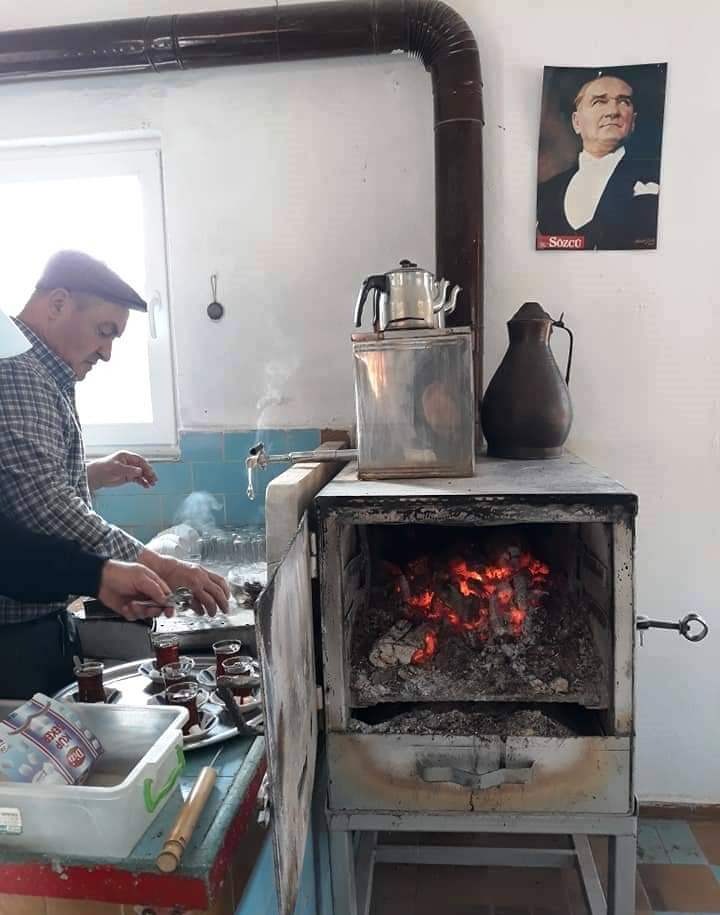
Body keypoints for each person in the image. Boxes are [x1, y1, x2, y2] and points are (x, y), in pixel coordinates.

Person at [0, 251, 229, 696]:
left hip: (34, 627)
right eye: (104, 332)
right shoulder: (19, 373)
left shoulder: (42, 374)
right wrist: (157, 564)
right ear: (58, 303)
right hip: (14, 641)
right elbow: (44, 509)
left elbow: (18, 487)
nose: (106, 352)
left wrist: (93, 475)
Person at [537, 73, 660, 250]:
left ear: (632, 122)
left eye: (624, 101)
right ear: (577, 122)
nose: (613, 112)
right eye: (599, 102)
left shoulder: (656, 178)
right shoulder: (546, 193)